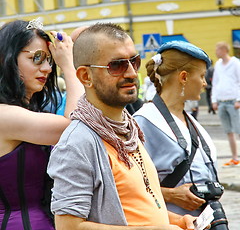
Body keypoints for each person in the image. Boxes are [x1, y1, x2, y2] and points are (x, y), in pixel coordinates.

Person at [47, 23, 195, 230]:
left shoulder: (129, 128)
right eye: (116, 65)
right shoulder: (77, 143)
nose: (132, 73)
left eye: (134, 61)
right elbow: (68, 226)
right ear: (85, 77)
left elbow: (139, 205)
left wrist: (176, 220)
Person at [0, 19, 84, 229]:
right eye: (36, 58)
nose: (47, 68)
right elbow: (76, 126)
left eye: (49, 60)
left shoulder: (22, 111)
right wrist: (68, 65)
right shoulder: (5, 116)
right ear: (6, 60)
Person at [134, 41, 219, 217]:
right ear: (184, 77)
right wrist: (171, 195)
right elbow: (127, 186)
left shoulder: (190, 121)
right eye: (202, 76)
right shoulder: (144, 121)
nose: (204, 83)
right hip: (168, 222)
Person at [211, 41, 240, 166]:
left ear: (224, 50)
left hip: (233, 101)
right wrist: (214, 100)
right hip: (222, 102)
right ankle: (235, 157)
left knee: (239, 130)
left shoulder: (235, 63)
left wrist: (239, 99)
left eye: (217, 50)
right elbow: (215, 83)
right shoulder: (218, 64)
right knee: (229, 131)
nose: (216, 52)